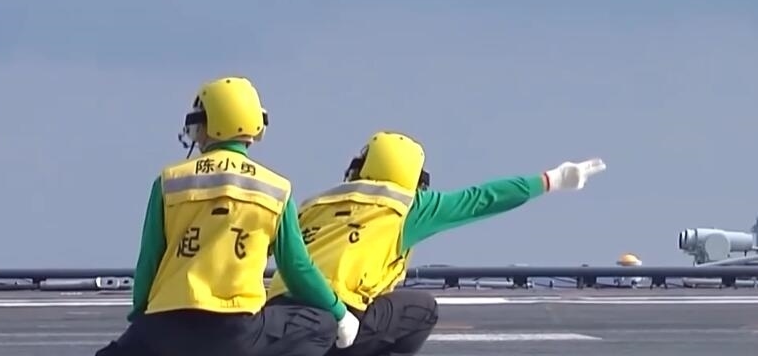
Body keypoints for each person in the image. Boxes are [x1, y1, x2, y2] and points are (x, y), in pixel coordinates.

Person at [266, 131, 606, 356]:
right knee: (422, 309)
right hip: (339, 316)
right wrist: (552, 179)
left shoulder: (314, 203)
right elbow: (484, 198)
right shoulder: (408, 205)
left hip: (278, 315)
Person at [95, 76, 360, 356]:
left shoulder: (169, 181)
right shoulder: (276, 190)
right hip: (236, 333)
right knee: (321, 323)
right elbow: (297, 269)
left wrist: (141, 321)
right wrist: (339, 313)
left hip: (165, 327)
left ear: (208, 124)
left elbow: (149, 260)